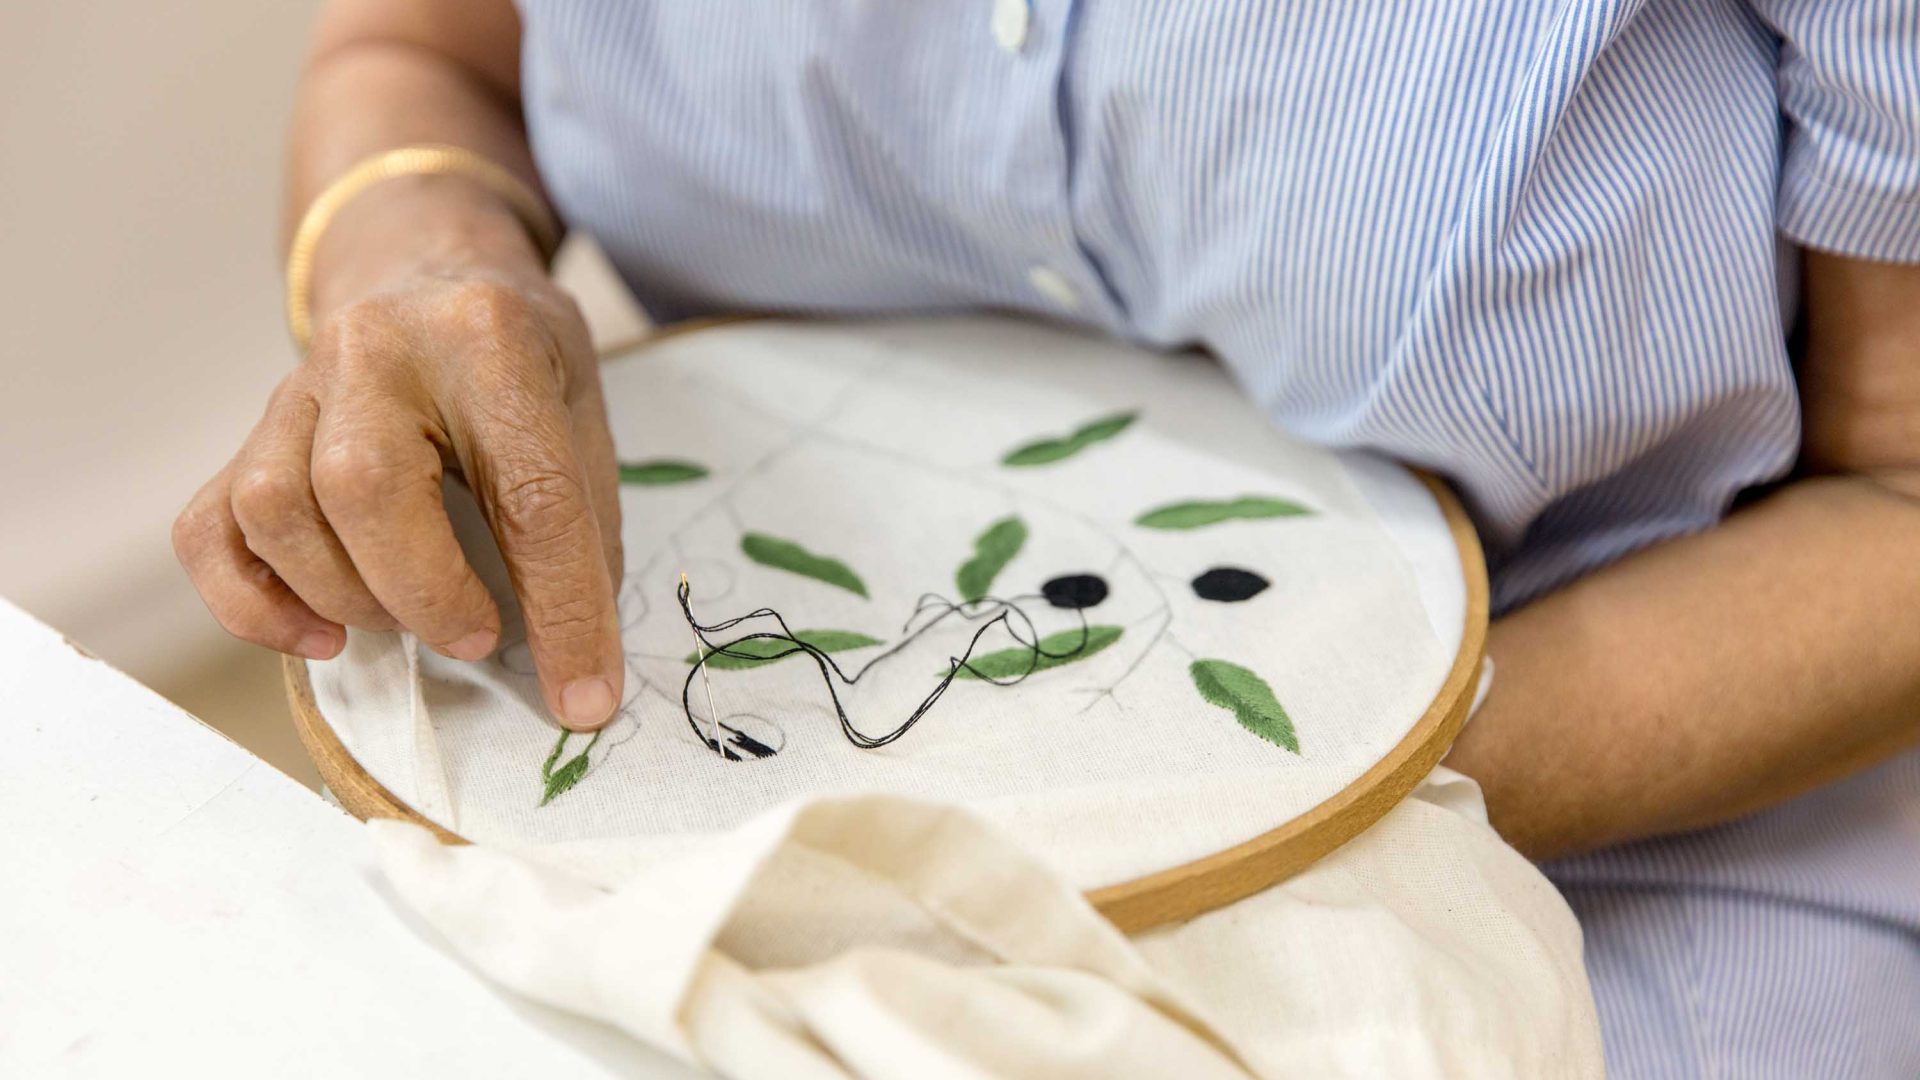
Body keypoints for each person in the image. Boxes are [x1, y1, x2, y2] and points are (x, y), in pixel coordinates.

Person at [171, 1, 1920, 1074]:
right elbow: (420, 49)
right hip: (714, 819)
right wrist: (421, 271)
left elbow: (1901, 504)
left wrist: (1269, 789)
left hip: (1602, 841)